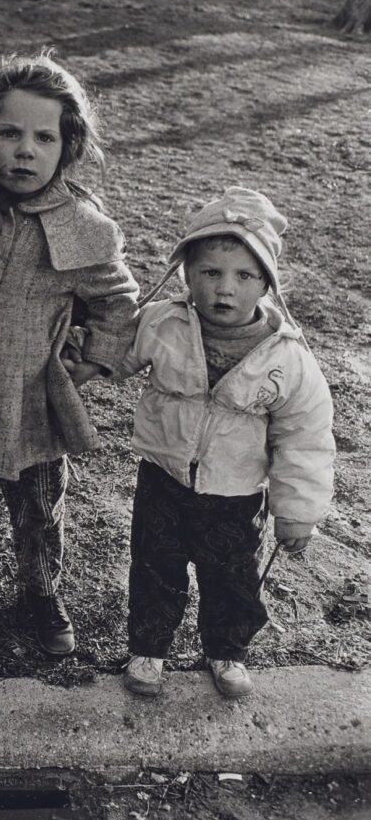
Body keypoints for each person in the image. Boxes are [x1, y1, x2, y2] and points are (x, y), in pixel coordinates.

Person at [0, 53, 140, 667]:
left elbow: (118, 301)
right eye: (9, 133)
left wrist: (90, 362)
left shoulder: (83, 226)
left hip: (35, 408)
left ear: (67, 146)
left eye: (44, 138)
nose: (24, 151)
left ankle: (42, 593)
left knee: (39, 509)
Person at [118, 187, 335, 699]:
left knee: (231, 579)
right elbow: (117, 353)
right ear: (186, 274)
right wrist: (85, 358)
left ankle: (227, 650)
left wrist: (297, 510)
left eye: (244, 275)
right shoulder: (164, 322)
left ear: (266, 283)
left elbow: (304, 438)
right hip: (164, 479)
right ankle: (149, 646)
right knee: (154, 567)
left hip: (235, 496)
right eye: (210, 272)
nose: (224, 288)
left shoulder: (288, 358)